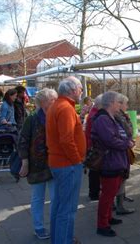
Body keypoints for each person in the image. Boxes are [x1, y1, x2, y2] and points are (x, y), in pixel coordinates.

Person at [46, 76, 86, 244]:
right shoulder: (66, 108)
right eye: (80, 89)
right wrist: (77, 161)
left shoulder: (57, 106)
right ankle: (63, 240)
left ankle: (61, 238)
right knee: (67, 209)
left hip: (59, 163)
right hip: (67, 164)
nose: (82, 92)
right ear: (72, 90)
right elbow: (66, 140)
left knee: (59, 206)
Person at [91, 91, 133, 237]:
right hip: (109, 162)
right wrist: (127, 143)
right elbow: (110, 140)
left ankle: (108, 218)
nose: (119, 104)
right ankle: (102, 225)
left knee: (110, 192)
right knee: (107, 195)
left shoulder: (109, 117)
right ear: (111, 103)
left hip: (114, 160)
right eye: (117, 102)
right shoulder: (103, 119)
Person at [18, 88, 58, 240]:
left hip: (55, 163)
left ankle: (56, 226)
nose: (55, 102)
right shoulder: (32, 119)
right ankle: (39, 227)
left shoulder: (56, 117)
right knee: (38, 198)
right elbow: (22, 141)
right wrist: (25, 162)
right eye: (52, 100)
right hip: (36, 165)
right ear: (43, 102)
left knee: (55, 198)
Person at [113, 95, 135, 216]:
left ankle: (120, 202)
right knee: (121, 177)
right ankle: (119, 206)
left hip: (124, 147)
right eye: (125, 104)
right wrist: (129, 141)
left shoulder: (121, 115)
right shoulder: (118, 116)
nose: (127, 106)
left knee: (122, 178)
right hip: (121, 150)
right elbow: (126, 130)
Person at [84, 94, 103, 201]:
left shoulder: (93, 112)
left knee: (94, 171)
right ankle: (94, 193)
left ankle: (93, 192)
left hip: (91, 145)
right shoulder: (96, 114)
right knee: (95, 171)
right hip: (94, 147)